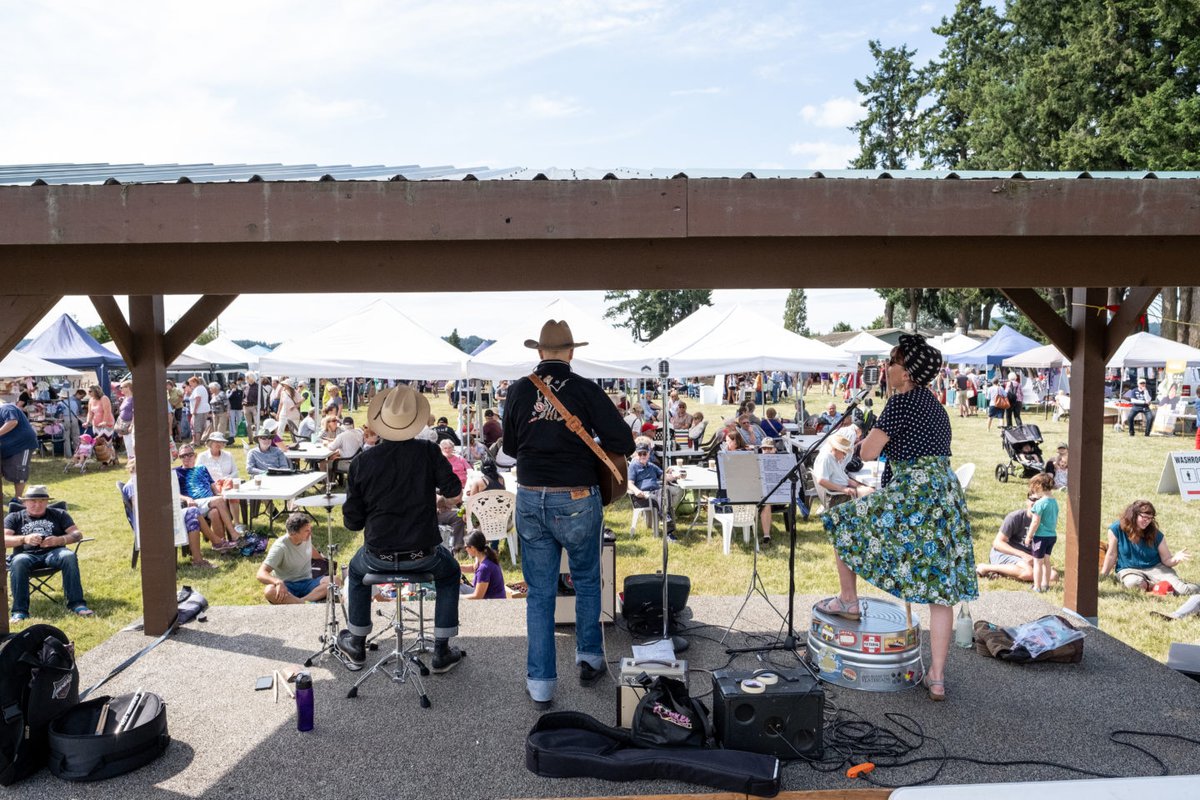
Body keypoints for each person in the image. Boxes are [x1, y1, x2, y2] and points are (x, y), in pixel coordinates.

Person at [820, 335, 977, 702]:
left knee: (843, 519)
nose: (886, 368)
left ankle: (848, 599)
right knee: (942, 588)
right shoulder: (936, 406)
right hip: (945, 493)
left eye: (892, 361)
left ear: (905, 373)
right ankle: (936, 677)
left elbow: (870, 452)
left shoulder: (901, 403)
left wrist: (870, 435)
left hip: (915, 490)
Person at [502, 319, 635, 709]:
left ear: (540, 353)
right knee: (587, 579)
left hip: (529, 496)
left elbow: (510, 446)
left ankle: (541, 684)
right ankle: (590, 658)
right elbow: (623, 441)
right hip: (576, 495)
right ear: (572, 352)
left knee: (539, 593)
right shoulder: (584, 389)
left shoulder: (518, 390)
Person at [338, 384, 466, 673]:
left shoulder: (362, 462)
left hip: (378, 556)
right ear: (415, 421)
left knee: (356, 572)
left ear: (380, 423)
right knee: (450, 573)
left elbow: (352, 522)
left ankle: (357, 644)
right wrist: (440, 499)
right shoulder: (428, 451)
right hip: (423, 553)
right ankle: (442, 651)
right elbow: (455, 490)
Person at [4, 485, 95, 622]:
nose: (37, 505)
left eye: (41, 501)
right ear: (25, 502)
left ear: (47, 502)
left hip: (54, 552)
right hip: (26, 555)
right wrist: (24, 539)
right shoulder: (14, 517)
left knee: (68, 556)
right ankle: (19, 611)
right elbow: (4, 540)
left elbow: (77, 534)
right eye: (33, 501)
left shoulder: (59, 514)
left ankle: (77, 604)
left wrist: (60, 540)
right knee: (18, 561)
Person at [1101, 500, 1197, 594]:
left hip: (1156, 568)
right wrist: (1103, 575)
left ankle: (1160, 586)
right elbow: (1111, 554)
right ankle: (1155, 586)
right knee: (1133, 584)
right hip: (1128, 569)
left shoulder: (1155, 534)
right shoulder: (1116, 529)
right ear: (1134, 515)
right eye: (1144, 517)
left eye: (1150, 518)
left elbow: (1167, 560)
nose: (1147, 521)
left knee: (1183, 590)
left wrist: (1176, 559)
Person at [976, 499, 1059, 584]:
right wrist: (1023, 555)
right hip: (1006, 553)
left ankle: (1006, 572)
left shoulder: (1045, 522)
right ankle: (986, 567)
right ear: (1027, 501)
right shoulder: (1015, 517)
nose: (1036, 502)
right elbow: (997, 543)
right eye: (1033, 499)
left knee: (1053, 576)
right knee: (1029, 573)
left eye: (1039, 500)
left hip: (1029, 558)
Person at [258, 513, 333, 604]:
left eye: (310, 529)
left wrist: (324, 560)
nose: (310, 533)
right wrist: (278, 582)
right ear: (294, 533)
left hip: (308, 582)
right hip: (287, 586)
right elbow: (261, 573)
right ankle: (304, 602)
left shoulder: (305, 538)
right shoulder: (280, 547)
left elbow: (310, 549)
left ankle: (301, 602)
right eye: (306, 531)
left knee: (334, 580)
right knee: (269, 591)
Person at [174, 443, 240, 545]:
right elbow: (173, 493)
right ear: (179, 457)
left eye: (190, 454)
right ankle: (234, 534)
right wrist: (187, 499)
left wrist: (219, 494)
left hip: (209, 503)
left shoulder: (202, 468)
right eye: (183, 456)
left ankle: (221, 546)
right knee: (218, 501)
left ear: (195, 455)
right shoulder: (176, 472)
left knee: (215, 512)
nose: (187, 458)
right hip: (194, 504)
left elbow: (213, 486)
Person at [627, 444, 681, 540]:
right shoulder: (633, 466)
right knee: (663, 501)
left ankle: (665, 516)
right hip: (643, 495)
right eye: (640, 454)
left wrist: (676, 476)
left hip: (655, 491)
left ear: (648, 454)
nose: (643, 456)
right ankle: (668, 529)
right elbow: (629, 483)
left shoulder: (651, 466)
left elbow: (664, 476)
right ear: (636, 455)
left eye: (645, 453)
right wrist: (636, 491)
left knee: (666, 490)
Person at [1022, 473, 1058, 593]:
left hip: (1040, 537)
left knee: (1038, 562)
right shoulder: (1054, 502)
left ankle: (1037, 586)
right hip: (1052, 536)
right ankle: (1046, 585)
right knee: (1047, 562)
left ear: (1040, 486)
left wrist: (1028, 536)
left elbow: (1035, 521)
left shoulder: (1040, 503)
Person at [0, 400, 38, 502]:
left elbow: (12, 422)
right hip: (7, 446)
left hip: (22, 444)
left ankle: (18, 499)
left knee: (19, 471)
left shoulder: (6, 408)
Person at [460, 530, 506, 600]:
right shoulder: (484, 557)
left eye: (466, 547)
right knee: (458, 587)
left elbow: (477, 597)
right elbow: (473, 568)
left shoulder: (484, 568)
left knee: (454, 595)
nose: (465, 549)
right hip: (486, 597)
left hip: (492, 604)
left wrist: (456, 598)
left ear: (472, 548)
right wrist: (457, 568)